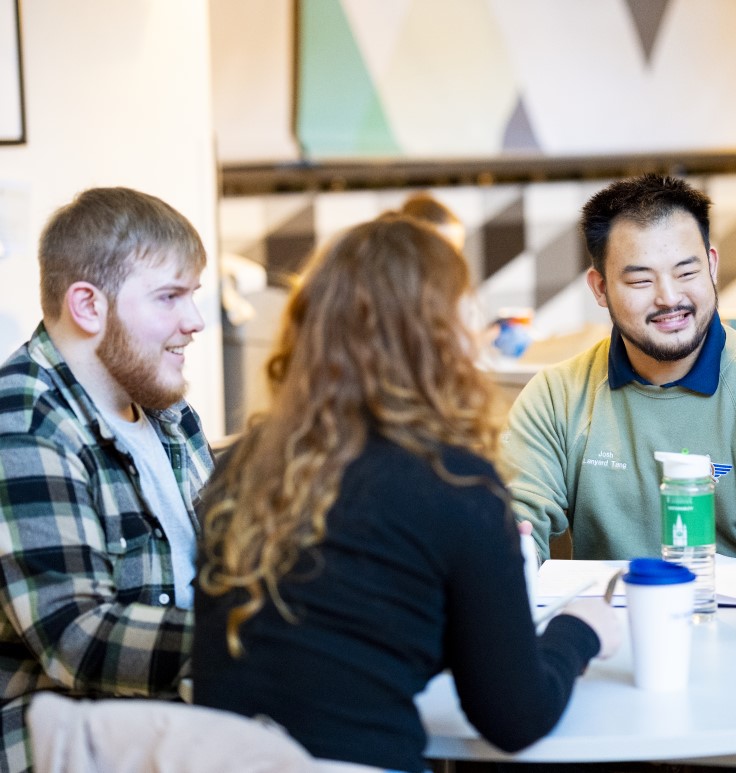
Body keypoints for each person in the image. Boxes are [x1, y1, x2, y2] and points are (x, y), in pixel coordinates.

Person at [193, 215, 621, 773]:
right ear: (439, 337)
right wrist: (579, 630)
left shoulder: (245, 463)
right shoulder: (455, 484)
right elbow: (515, 719)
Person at [502, 173, 736, 563]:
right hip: (607, 621)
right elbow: (516, 524)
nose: (669, 298)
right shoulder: (556, 397)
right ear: (600, 288)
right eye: (641, 280)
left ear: (712, 266)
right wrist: (512, 546)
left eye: (686, 273)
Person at [0, 187, 214, 773]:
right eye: (169, 297)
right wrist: (255, 644)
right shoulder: (23, 427)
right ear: (88, 306)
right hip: (64, 749)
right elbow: (77, 638)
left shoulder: (167, 411)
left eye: (192, 295)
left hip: (171, 726)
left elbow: (222, 567)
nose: (194, 322)